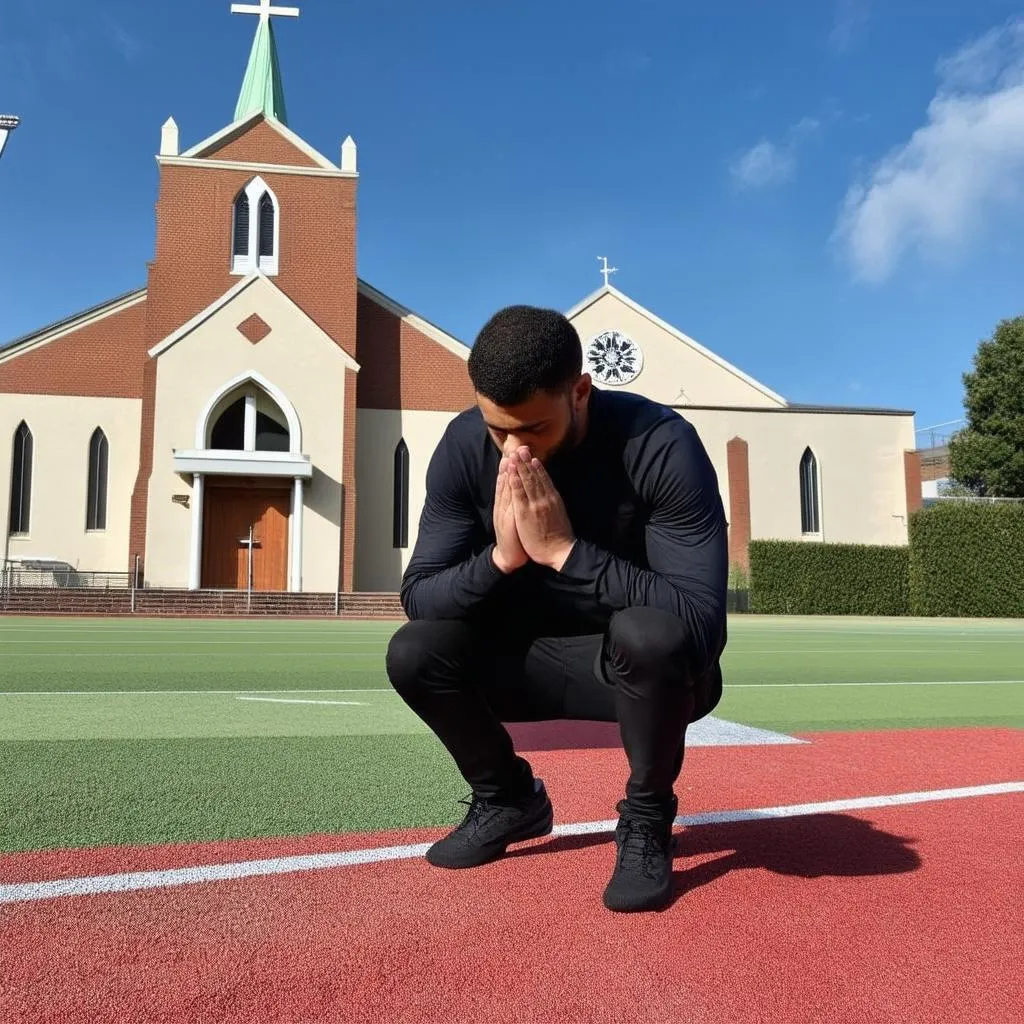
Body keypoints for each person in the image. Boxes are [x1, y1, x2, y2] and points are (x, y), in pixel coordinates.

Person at [385, 305, 729, 913]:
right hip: (516, 664)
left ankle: (648, 817)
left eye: (534, 428)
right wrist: (502, 559)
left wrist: (568, 553)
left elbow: (701, 627)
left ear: (580, 391)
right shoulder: (465, 445)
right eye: (499, 430)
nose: (516, 450)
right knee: (414, 652)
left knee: (651, 634)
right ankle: (509, 800)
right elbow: (420, 595)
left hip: (633, 672)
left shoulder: (659, 443)